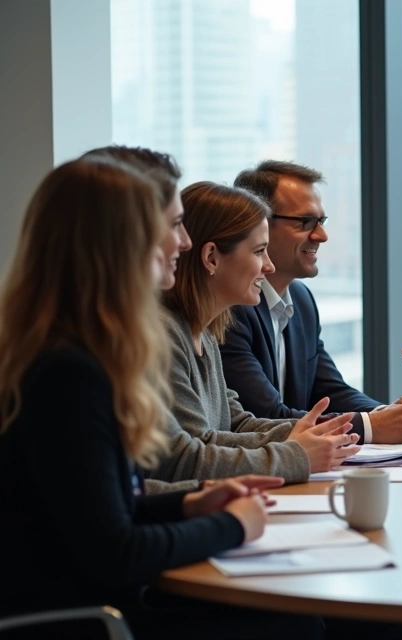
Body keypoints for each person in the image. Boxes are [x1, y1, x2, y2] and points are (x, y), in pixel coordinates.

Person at [0, 156, 327, 638]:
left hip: (104, 600)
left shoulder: (81, 355)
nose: (185, 242)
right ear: (123, 241)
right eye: (174, 225)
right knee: (298, 626)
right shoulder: (68, 372)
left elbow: (108, 507)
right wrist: (234, 524)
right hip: (91, 619)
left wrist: (190, 503)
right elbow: (116, 551)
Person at [221, 160, 402, 445]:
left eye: (321, 222)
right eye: (305, 222)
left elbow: (329, 391)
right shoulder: (229, 309)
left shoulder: (301, 300)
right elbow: (265, 416)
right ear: (259, 225)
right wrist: (374, 426)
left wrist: (390, 415)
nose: (321, 236)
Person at [161, 181, 360, 482]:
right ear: (212, 258)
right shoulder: (166, 335)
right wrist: (298, 454)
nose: (269, 267)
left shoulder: (205, 333)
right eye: (259, 252)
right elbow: (190, 457)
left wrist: (311, 432)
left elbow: (235, 424)